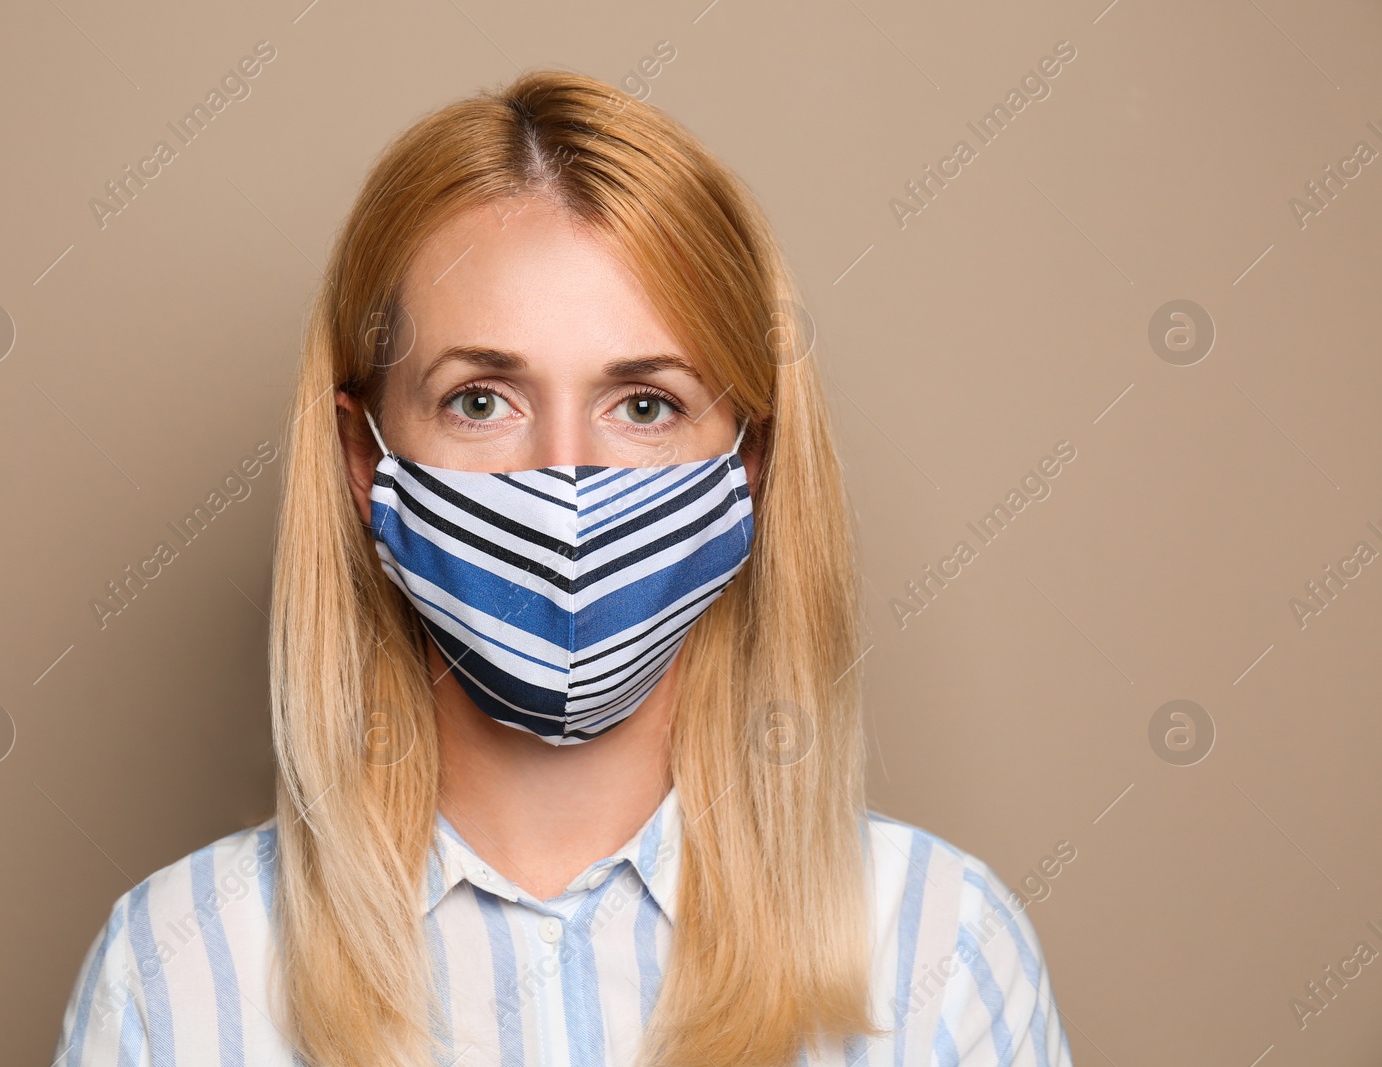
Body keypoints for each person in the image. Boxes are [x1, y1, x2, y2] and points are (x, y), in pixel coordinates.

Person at [52, 68, 1074, 1067]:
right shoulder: (178, 970)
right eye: (481, 399)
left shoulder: (940, 947)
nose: (564, 482)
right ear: (366, 459)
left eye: (644, 404)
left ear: (748, 464)